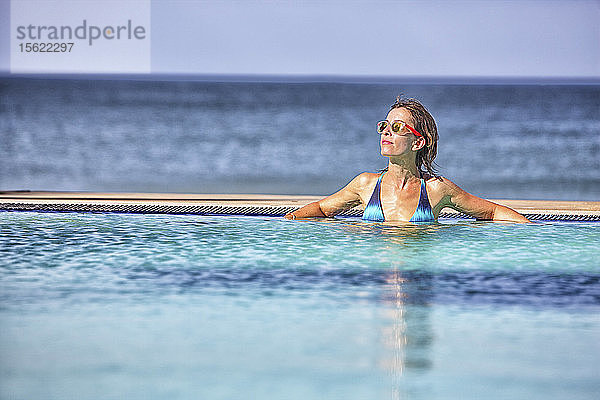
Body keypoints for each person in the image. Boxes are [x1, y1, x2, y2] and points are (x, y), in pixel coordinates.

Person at [284, 96, 530, 223]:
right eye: (385, 125)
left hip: (418, 274)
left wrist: (535, 230)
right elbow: (322, 209)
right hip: (378, 279)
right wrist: (287, 222)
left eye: (398, 127)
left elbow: (491, 212)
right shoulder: (366, 185)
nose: (386, 132)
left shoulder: (436, 189)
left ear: (418, 142)